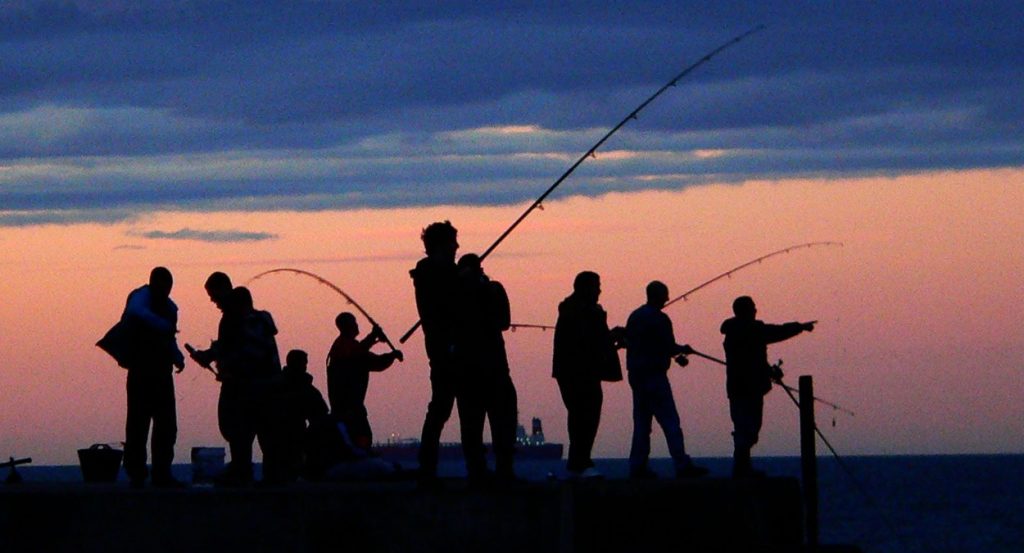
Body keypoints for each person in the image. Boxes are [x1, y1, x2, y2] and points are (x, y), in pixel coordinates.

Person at [721, 295, 815, 478]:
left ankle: (742, 468)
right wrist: (800, 327)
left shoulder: (733, 332)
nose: (756, 310)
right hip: (749, 389)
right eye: (753, 307)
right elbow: (776, 332)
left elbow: (752, 358)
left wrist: (767, 371)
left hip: (737, 388)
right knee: (749, 429)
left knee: (744, 428)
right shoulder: (752, 330)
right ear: (746, 311)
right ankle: (742, 469)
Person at [624, 280, 708, 479]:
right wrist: (683, 350)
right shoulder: (660, 319)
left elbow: (636, 343)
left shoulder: (634, 317)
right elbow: (668, 346)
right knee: (671, 422)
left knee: (642, 425)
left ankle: (637, 467)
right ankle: (682, 465)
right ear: (658, 296)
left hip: (636, 377)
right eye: (665, 295)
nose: (668, 299)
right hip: (655, 377)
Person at [452, 253, 519, 484]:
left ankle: (501, 469)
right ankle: (479, 470)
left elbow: (502, 321)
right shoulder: (455, 293)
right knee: (474, 425)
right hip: (472, 370)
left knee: (503, 421)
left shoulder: (491, 289)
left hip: (492, 368)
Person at [118, 267, 186, 488]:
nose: (165, 292)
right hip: (140, 372)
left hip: (162, 373)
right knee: (138, 425)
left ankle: (161, 473)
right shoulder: (139, 300)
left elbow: (169, 338)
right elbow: (134, 316)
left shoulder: (169, 308)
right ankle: (137, 473)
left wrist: (176, 356)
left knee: (166, 426)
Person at [552, 271, 624, 479]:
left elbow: (593, 341)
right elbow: (588, 341)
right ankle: (580, 462)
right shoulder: (579, 311)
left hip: (576, 371)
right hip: (578, 373)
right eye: (596, 286)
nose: (600, 290)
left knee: (582, 416)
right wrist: (611, 336)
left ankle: (580, 461)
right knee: (584, 416)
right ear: (585, 288)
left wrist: (609, 338)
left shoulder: (576, 310)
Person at [409, 220, 461, 485]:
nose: (457, 247)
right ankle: (427, 465)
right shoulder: (431, 272)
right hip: (445, 350)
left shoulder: (441, 272)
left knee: (446, 407)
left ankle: (428, 464)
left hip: (447, 348)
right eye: (453, 243)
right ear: (442, 245)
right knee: (442, 406)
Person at [326, 312, 403, 451]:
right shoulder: (342, 348)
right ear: (347, 326)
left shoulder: (345, 347)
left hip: (350, 408)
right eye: (354, 323)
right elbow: (361, 356)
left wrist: (388, 353)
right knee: (359, 440)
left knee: (358, 440)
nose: (357, 325)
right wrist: (374, 338)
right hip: (348, 409)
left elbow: (368, 358)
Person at [279, 349, 330, 482]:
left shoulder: (280, 384)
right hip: (293, 433)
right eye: (303, 363)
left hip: (287, 434)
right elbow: (321, 412)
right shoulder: (301, 387)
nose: (305, 367)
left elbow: (320, 412)